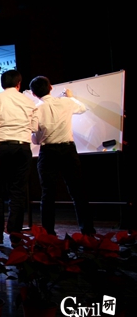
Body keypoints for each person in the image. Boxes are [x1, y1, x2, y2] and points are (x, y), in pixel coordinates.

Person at [29, 75, 96, 236]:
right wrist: (71, 97)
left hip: (48, 152)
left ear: (33, 94)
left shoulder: (36, 109)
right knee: (78, 191)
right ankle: (88, 231)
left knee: (48, 193)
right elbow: (83, 108)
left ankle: (48, 233)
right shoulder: (66, 102)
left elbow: (34, 134)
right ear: (51, 87)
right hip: (67, 150)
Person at [0, 69, 38, 245]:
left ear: (2, 84)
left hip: (0, 148)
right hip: (22, 148)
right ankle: (15, 235)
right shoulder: (29, 101)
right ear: (19, 84)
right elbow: (35, 127)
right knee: (18, 192)